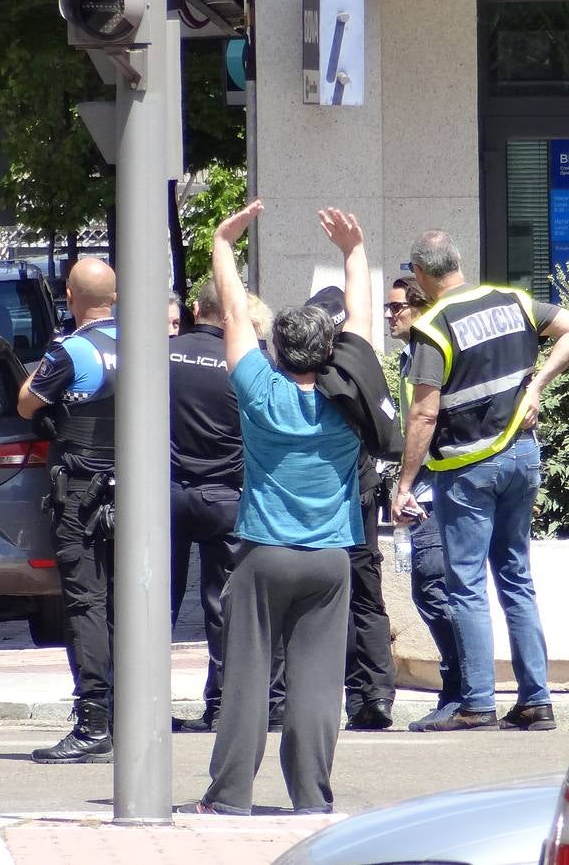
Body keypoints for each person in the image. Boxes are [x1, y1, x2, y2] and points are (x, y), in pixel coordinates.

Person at [179, 200, 367, 816]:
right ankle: (313, 800)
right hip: (330, 559)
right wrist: (355, 253)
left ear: (276, 349)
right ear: (332, 349)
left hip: (264, 556)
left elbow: (232, 311)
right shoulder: (352, 401)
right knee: (318, 688)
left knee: (246, 682)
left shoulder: (260, 390)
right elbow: (362, 332)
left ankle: (229, 796)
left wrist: (224, 242)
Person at [392, 231, 569, 732]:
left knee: (466, 586)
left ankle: (477, 702)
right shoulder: (513, 300)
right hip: (522, 456)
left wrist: (404, 483)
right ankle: (536, 699)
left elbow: (423, 412)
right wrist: (537, 386)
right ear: (458, 262)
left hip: (467, 467)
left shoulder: (434, 325)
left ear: (420, 274)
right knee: (516, 578)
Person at [168, 280, 285, 734]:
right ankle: (222, 706)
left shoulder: (164, 354)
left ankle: (145, 704)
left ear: (197, 308)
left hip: (167, 495)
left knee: (157, 605)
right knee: (226, 607)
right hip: (228, 496)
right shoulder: (247, 362)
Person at [17, 256, 119, 762]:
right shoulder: (144, 344)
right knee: (130, 603)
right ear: (116, 297)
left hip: (81, 491)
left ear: (70, 297)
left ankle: (95, 721)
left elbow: (26, 403)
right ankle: (127, 714)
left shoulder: (71, 350)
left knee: (86, 603)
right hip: (135, 491)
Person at [304, 285, 399, 731]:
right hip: (361, 491)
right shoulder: (360, 366)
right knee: (365, 591)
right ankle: (375, 695)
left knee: (331, 597)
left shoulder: (311, 374)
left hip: (330, 497)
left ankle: (353, 694)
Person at [386, 274, 463, 731]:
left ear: (419, 308)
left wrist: (409, 482)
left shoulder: (431, 354)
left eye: (398, 307)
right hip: (424, 489)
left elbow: (430, 418)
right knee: (432, 589)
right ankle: (460, 689)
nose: (391, 315)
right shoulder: (410, 357)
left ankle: (462, 691)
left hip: (435, 487)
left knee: (435, 589)